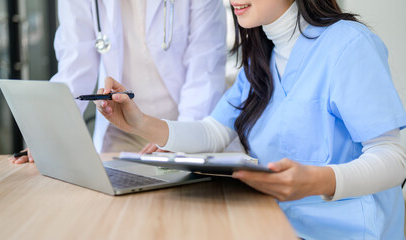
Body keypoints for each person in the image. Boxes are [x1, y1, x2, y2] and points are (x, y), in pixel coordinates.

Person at [95, 0, 406, 239]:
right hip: (274, 224)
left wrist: (317, 181)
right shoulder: (261, 58)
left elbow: (395, 159)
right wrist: (139, 122)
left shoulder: (348, 44)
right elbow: (214, 131)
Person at [9, 0, 227, 164]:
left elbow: (204, 69)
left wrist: (181, 138)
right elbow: (74, 66)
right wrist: (51, 133)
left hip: (186, 122)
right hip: (122, 132)